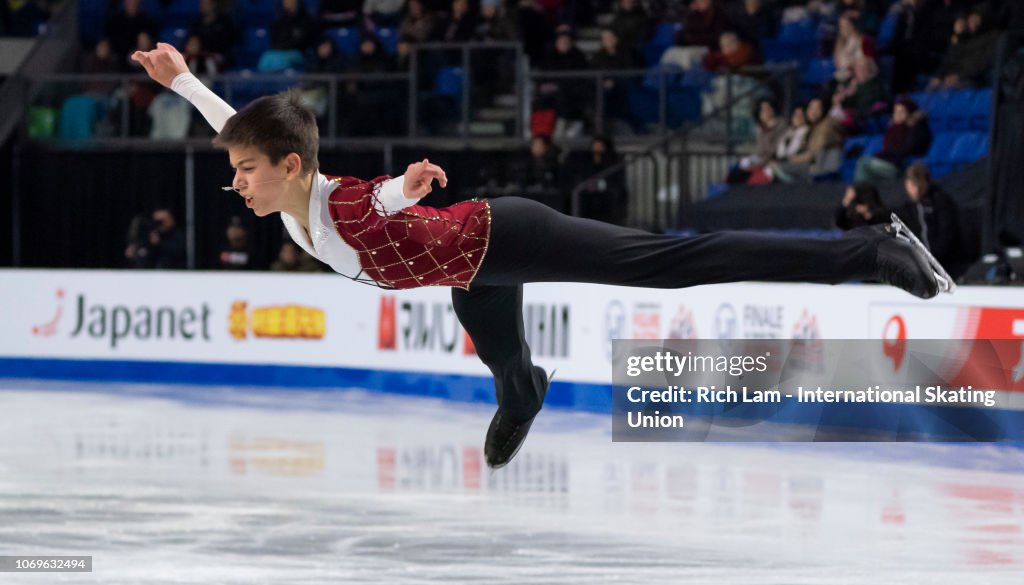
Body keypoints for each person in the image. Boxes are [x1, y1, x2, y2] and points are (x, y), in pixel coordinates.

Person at [132, 43, 952, 470]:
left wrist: (408, 189)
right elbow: (242, 126)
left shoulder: (334, 199)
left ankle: (874, 251)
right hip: (469, 273)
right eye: (235, 169)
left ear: (292, 168)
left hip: (513, 235)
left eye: (244, 172)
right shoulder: (288, 180)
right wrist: (184, 82)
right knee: (503, 357)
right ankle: (523, 391)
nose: (235, 183)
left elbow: (370, 200)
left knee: (681, 259)